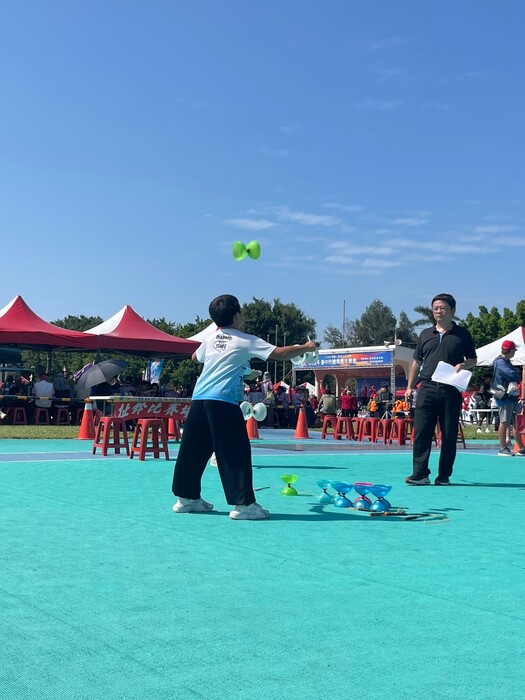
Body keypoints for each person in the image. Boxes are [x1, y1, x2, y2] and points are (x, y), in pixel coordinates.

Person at [171, 294, 317, 520]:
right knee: (234, 451)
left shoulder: (210, 339)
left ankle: (187, 499)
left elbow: (194, 357)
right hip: (223, 401)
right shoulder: (245, 340)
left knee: (194, 450)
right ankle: (245, 506)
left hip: (199, 399)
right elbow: (278, 353)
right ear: (237, 315)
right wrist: (306, 346)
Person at [404, 293, 477, 486]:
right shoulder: (425, 335)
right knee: (422, 432)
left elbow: (473, 359)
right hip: (427, 387)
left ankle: (444, 476)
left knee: (449, 433)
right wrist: (410, 387)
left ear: (452, 311)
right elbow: (416, 362)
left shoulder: (462, 334)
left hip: (450, 390)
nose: (438, 311)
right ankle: (420, 474)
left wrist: (464, 365)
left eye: (442, 308)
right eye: (435, 308)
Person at [492, 340, 525, 457]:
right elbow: (513, 375)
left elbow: (514, 375)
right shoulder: (501, 362)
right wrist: (517, 373)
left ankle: (521, 448)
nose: (515, 353)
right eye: (514, 351)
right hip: (505, 396)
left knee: (516, 422)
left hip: (510, 396)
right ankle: (502, 448)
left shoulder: (504, 362)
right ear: (510, 351)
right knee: (504, 421)